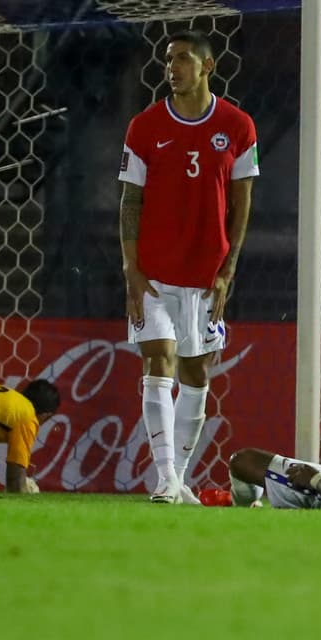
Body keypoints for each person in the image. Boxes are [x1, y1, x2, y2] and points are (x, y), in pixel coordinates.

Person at [118, 29, 259, 505]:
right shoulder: (144, 127)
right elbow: (130, 201)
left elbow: (241, 204)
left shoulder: (238, 127)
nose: (172, 67)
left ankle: (178, 480)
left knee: (196, 373)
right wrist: (131, 268)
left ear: (207, 66)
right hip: (154, 273)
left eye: (182, 58)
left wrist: (227, 271)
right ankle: (165, 479)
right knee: (158, 359)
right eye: (168, 59)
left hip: (204, 276)